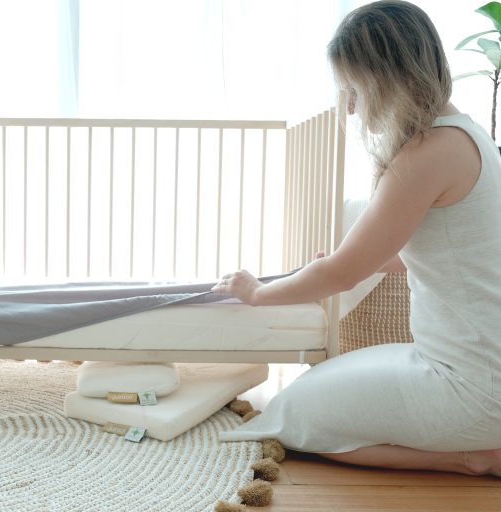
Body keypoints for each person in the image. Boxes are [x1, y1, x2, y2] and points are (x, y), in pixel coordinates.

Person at [213, 0, 501, 477]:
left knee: (290, 417)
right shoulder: (468, 135)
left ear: (385, 78)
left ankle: (468, 458)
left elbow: (342, 275)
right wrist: (356, 259)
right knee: (309, 392)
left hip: (473, 389)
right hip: (478, 371)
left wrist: (256, 293)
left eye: (352, 88)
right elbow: (444, 252)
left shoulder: (425, 154)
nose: (349, 104)